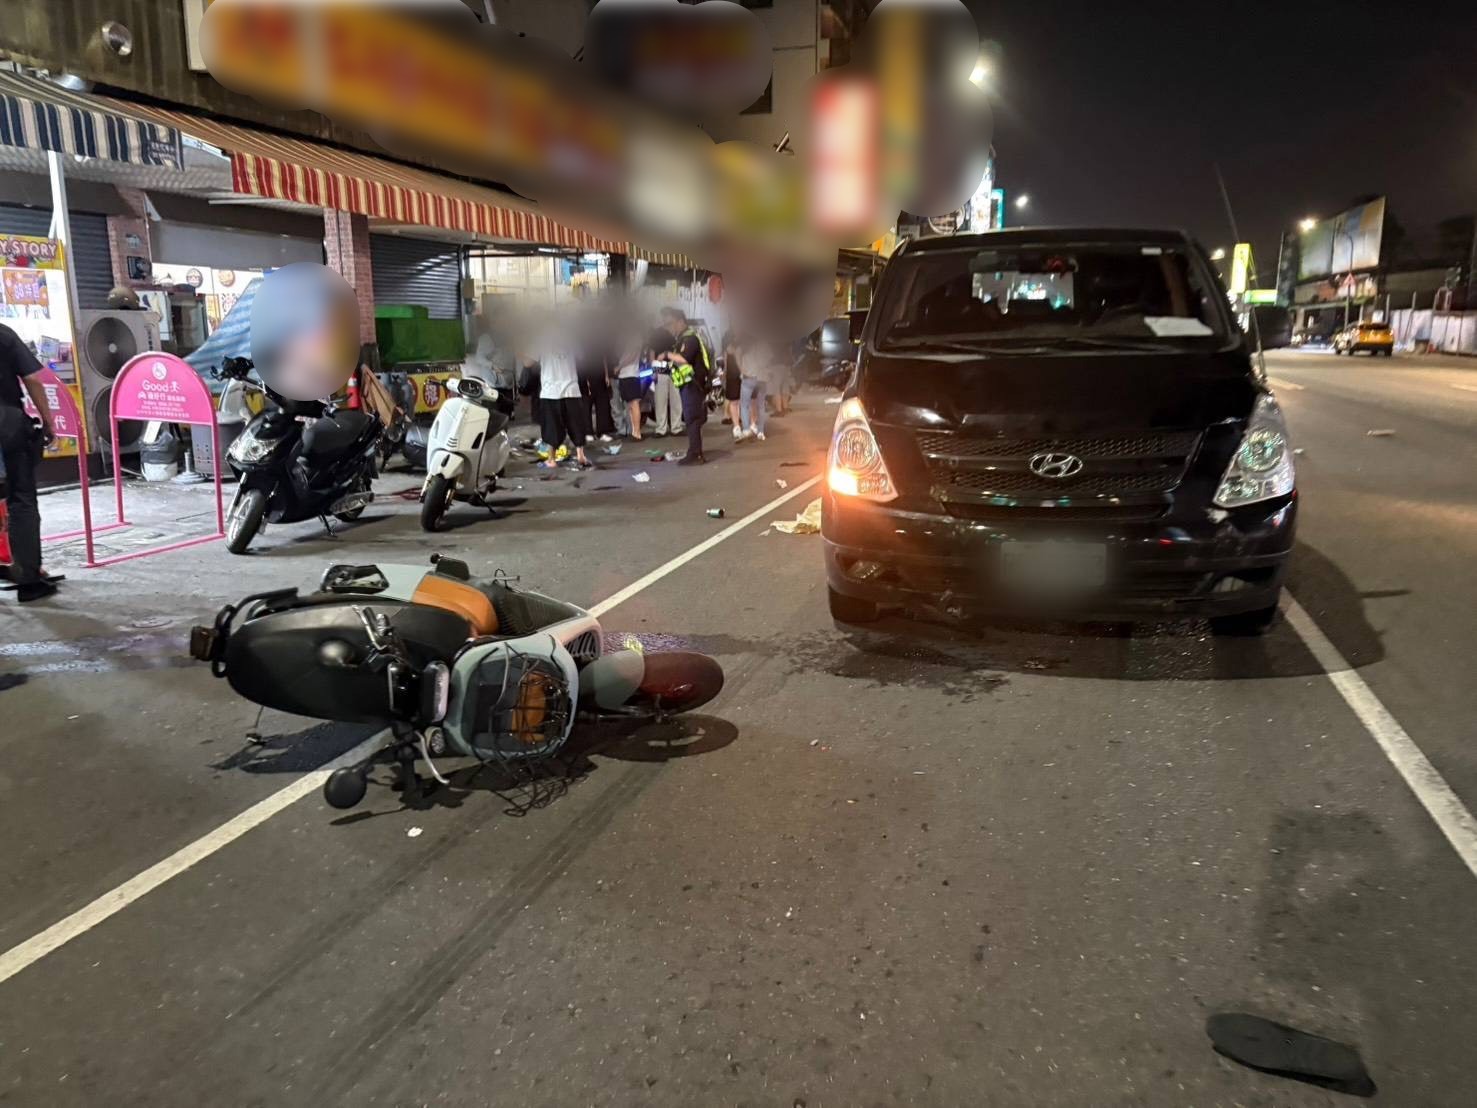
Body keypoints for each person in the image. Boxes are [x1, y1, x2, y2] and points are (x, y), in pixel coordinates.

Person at [0, 323, 56, 602]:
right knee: (21, 501)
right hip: (7, 426)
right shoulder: (3, 334)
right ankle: (29, 580)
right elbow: (33, 379)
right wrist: (48, 421)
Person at [658, 306, 712, 466]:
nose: (668, 328)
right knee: (691, 419)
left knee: (692, 419)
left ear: (680, 321)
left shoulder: (690, 338)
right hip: (688, 384)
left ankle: (696, 454)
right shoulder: (682, 339)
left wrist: (667, 354)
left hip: (694, 385)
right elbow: (677, 365)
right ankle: (695, 451)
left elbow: (684, 358)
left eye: (670, 323)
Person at [534, 326, 592, 470]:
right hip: (571, 388)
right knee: (576, 424)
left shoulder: (541, 338)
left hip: (551, 391)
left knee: (552, 427)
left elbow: (528, 362)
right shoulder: (571, 336)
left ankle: (551, 460)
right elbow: (581, 357)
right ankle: (581, 456)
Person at [737, 334, 776, 442]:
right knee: (761, 406)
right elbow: (770, 359)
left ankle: (746, 429)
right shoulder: (764, 344)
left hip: (748, 378)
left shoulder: (743, 345)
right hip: (762, 378)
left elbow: (737, 357)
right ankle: (761, 431)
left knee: (744, 405)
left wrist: (743, 371)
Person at [650, 315, 684, 438]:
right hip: (661, 366)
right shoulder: (657, 333)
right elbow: (652, 352)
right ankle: (661, 429)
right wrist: (653, 370)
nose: (667, 320)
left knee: (676, 399)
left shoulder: (679, 333)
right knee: (660, 399)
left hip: (675, 367)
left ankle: (676, 427)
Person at [722, 330, 744, 441]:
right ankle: (741, 423)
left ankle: (736, 426)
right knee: (740, 401)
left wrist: (724, 375)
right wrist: (744, 373)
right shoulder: (740, 348)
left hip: (731, 377)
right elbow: (740, 363)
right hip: (740, 376)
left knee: (732, 401)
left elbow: (726, 366)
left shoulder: (727, 349)